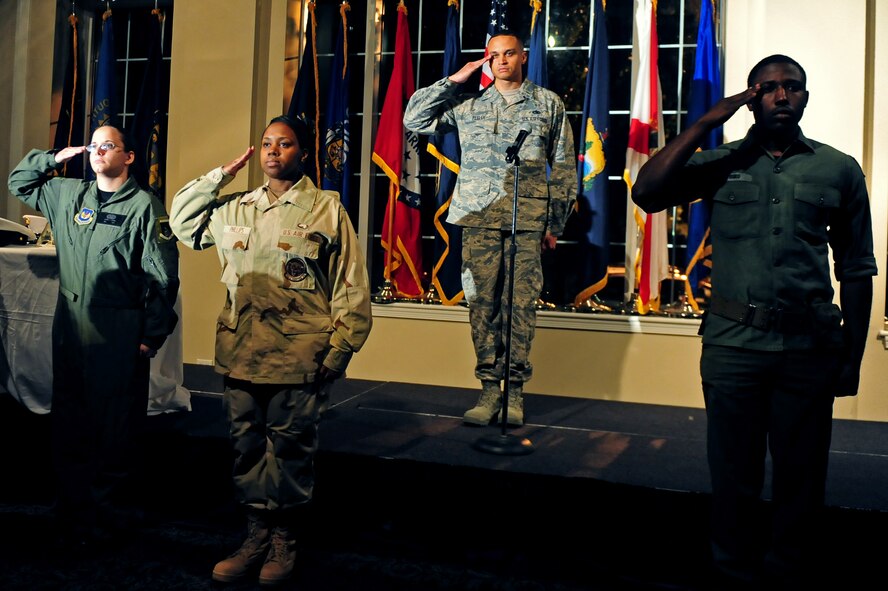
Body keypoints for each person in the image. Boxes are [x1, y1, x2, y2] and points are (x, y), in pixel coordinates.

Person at [632, 55, 877, 590]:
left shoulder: (837, 169)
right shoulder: (720, 161)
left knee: (801, 478)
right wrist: (702, 124)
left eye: (792, 87)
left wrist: (852, 358)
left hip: (809, 348)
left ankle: (790, 572)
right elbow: (646, 193)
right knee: (734, 477)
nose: (781, 96)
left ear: (806, 97)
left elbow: (857, 270)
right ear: (750, 98)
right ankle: (732, 573)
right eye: (768, 88)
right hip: (733, 347)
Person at [169, 115, 372, 586]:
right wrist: (219, 176)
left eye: (284, 144)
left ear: (303, 152)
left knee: (290, 448)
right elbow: (182, 221)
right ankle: (254, 535)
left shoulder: (325, 210)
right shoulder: (236, 208)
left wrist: (339, 350)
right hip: (242, 351)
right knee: (245, 448)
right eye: (265, 144)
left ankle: (285, 539)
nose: (272, 152)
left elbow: (351, 285)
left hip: (298, 354)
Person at [7, 125, 180, 546]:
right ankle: (70, 509)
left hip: (117, 327)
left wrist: (150, 334)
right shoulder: (69, 193)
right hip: (71, 325)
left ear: (130, 156)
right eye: (95, 145)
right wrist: (54, 157)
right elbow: (19, 181)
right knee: (69, 421)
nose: (99, 151)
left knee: (114, 426)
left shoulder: (145, 207)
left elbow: (163, 276)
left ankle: (109, 516)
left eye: (109, 145)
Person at [404, 33, 575, 427]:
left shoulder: (548, 103)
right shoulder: (468, 104)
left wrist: (555, 221)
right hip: (478, 216)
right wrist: (454, 80)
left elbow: (564, 166)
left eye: (509, 53)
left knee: (520, 307)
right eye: (493, 55)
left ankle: (514, 393)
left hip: (525, 221)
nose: (501, 61)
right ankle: (488, 391)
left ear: (523, 56)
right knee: (482, 305)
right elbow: (413, 119)